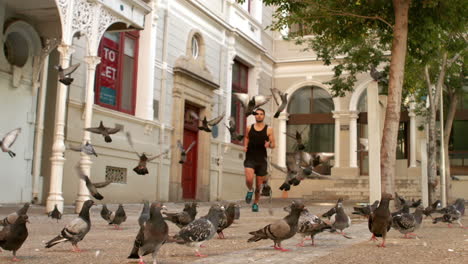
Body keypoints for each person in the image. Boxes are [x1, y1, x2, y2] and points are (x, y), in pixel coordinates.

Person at [243, 108, 275, 212]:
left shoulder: (269, 129)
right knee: (249, 179)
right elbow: (247, 137)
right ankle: (249, 190)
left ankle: (256, 203)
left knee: (258, 186)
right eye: (257, 114)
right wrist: (245, 145)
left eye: (261, 114)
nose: (259, 116)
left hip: (262, 160)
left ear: (264, 116)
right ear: (255, 116)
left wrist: (268, 144)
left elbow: (273, 144)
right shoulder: (249, 128)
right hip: (250, 157)